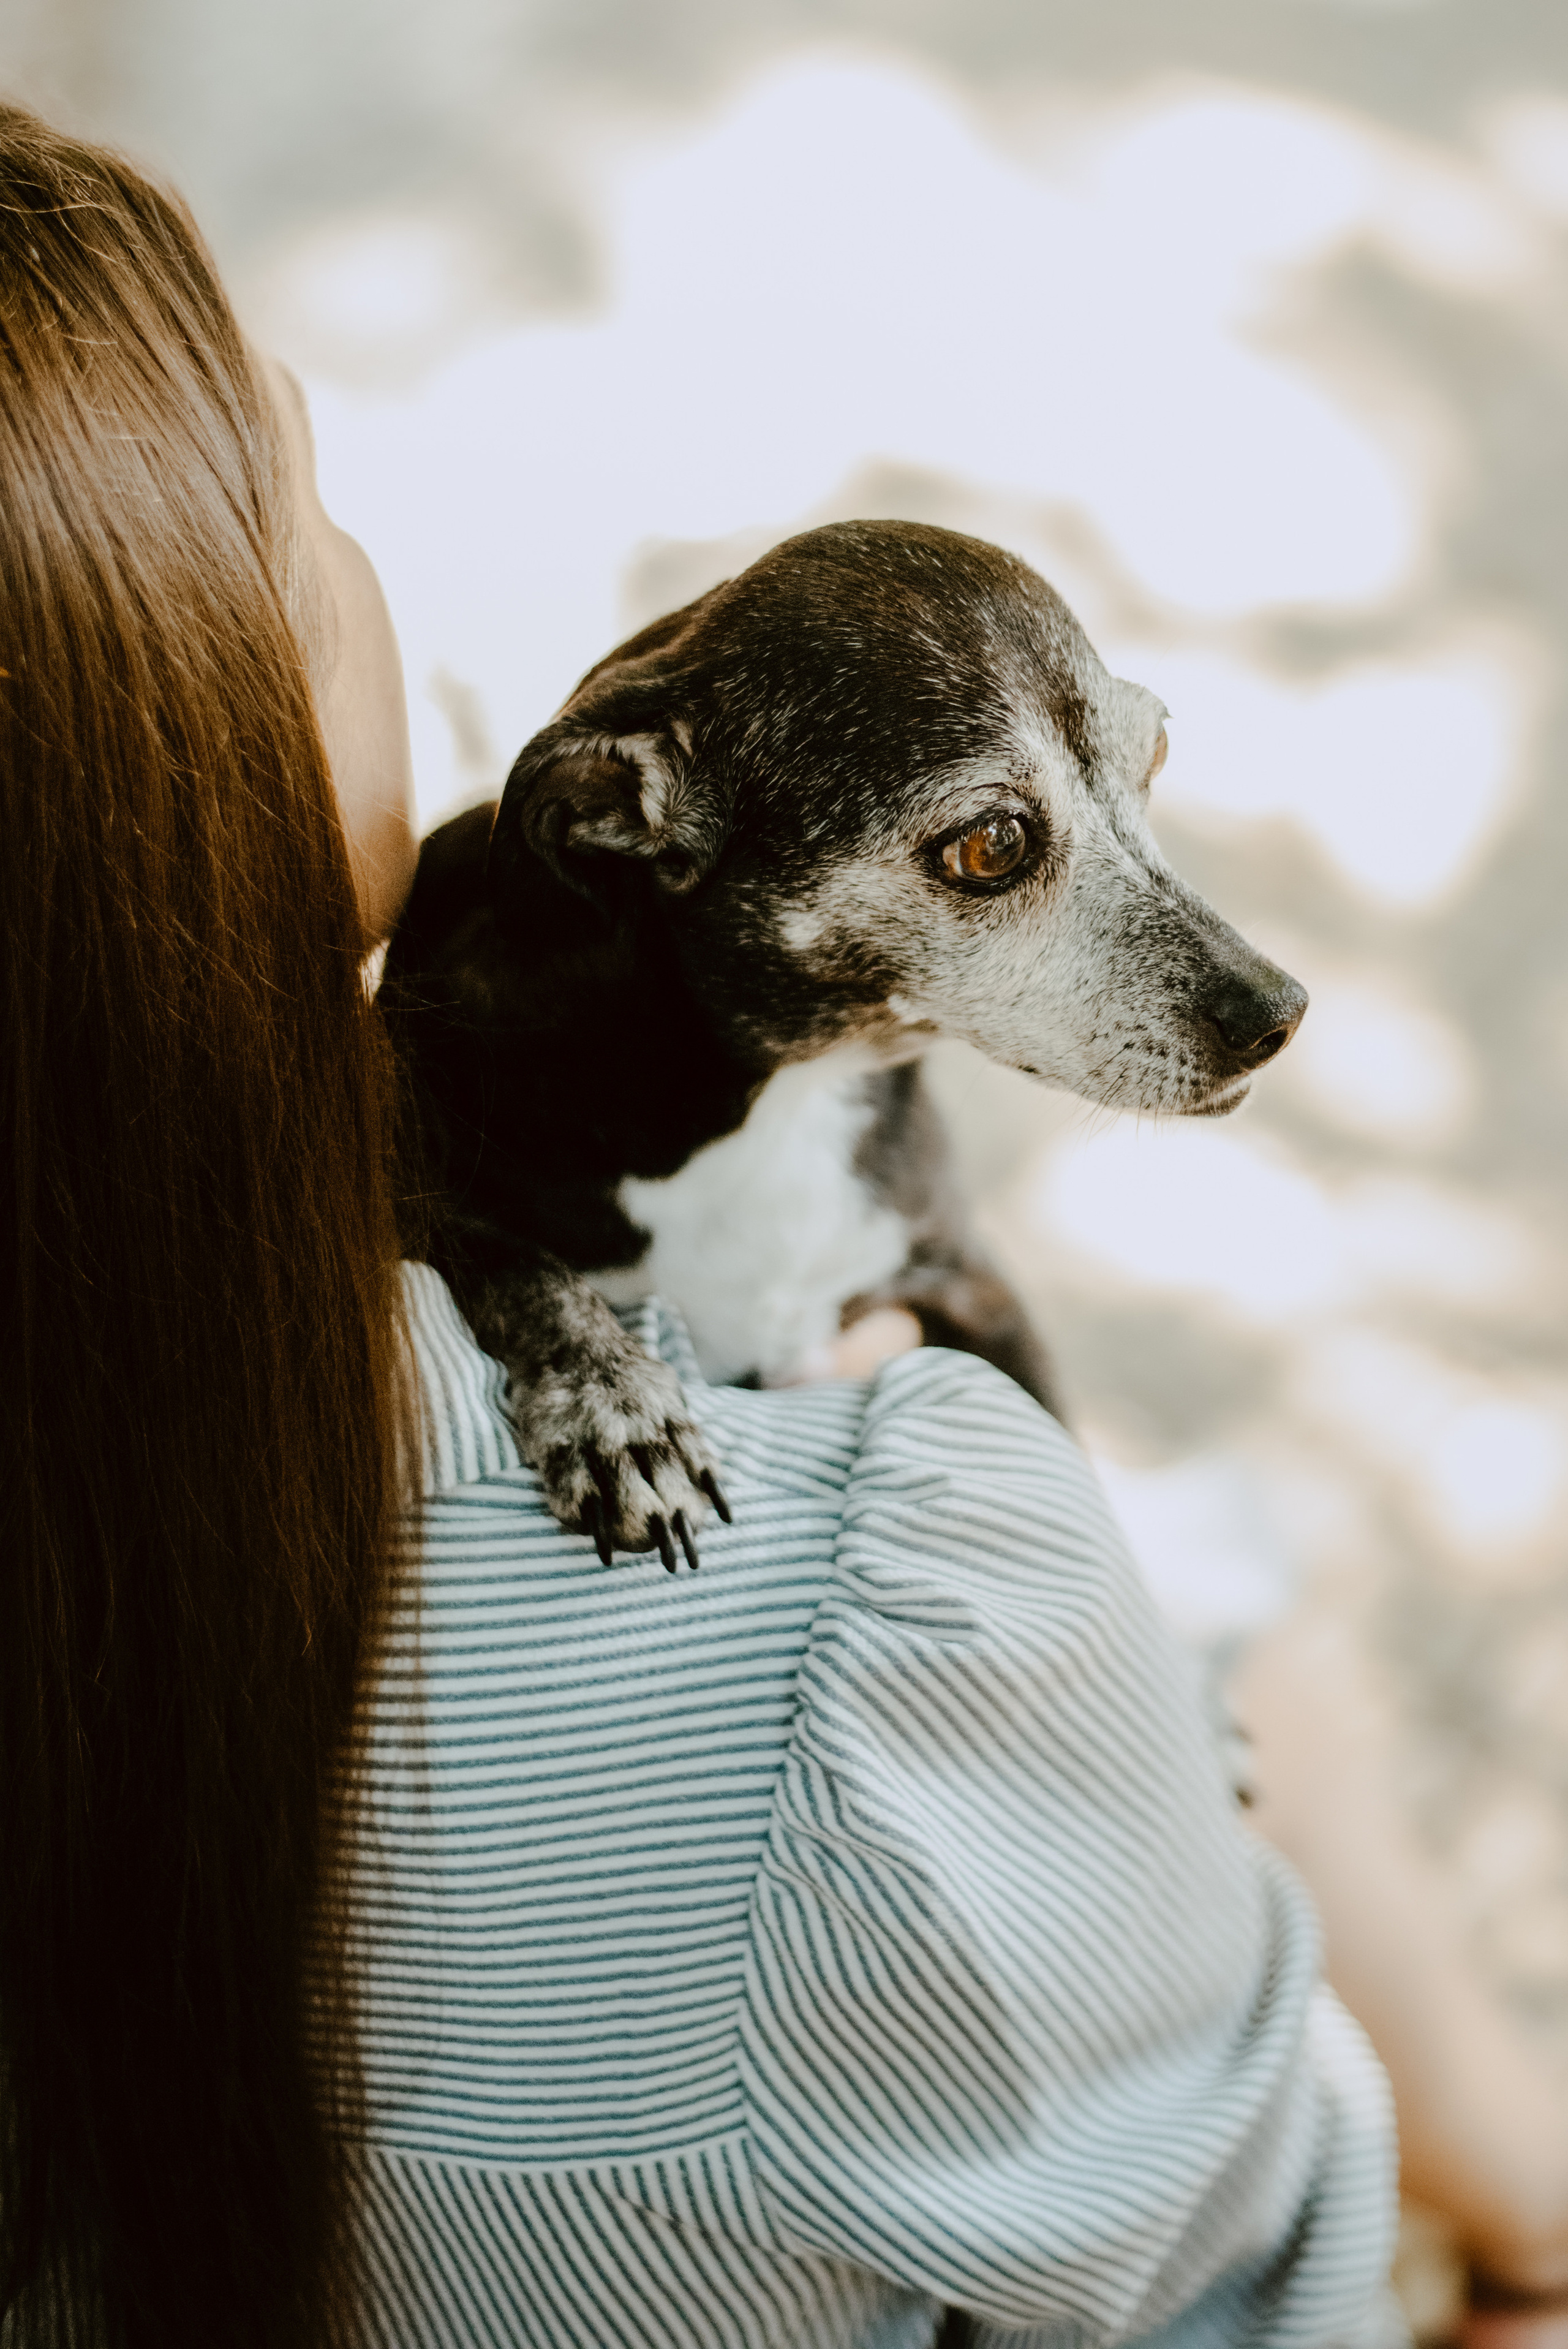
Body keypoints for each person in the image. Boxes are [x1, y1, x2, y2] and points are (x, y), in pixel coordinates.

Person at [0, 102, 1401, 2349]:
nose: (362, 566)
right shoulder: (899, 1597)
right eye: (304, 492)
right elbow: (1261, 2237)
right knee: (1280, 1665)